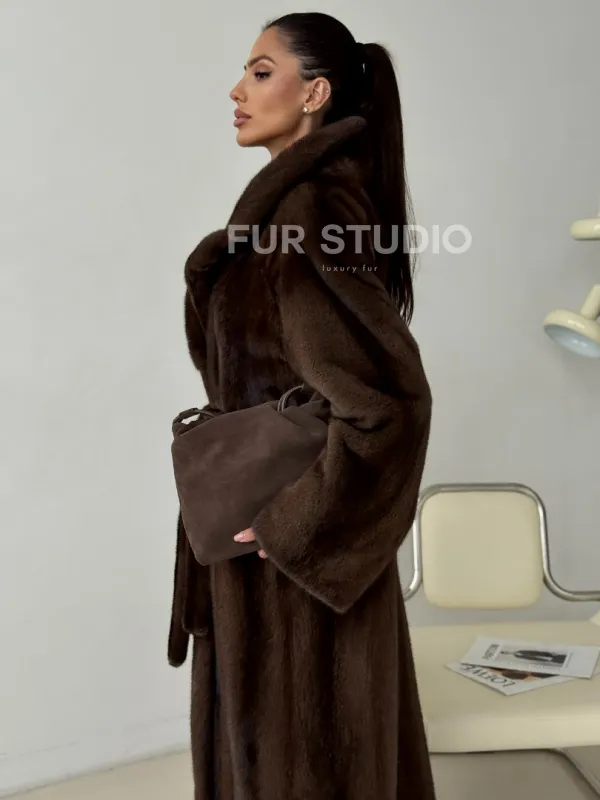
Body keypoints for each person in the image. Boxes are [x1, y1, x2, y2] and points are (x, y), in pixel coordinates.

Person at [167, 11, 436, 799]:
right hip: (261, 552)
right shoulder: (280, 217)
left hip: (293, 576)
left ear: (314, 93)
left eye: (260, 73)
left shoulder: (310, 213)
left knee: (307, 763)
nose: (237, 90)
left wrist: (296, 526)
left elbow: (391, 402)